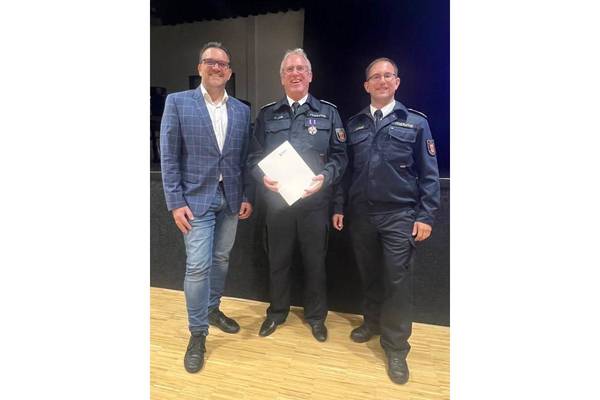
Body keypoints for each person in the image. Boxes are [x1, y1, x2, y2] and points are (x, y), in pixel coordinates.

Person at [331, 57, 440, 384]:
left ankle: (396, 348)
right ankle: (373, 322)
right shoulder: (354, 125)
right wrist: (339, 206)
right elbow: (346, 172)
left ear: (397, 82)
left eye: (387, 75)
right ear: (366, 85)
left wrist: (426, 215)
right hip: (362, 213)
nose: (381, 81)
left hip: (399, 215)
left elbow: (429, 175)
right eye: (375, 77)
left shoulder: (415, 123)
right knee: (369, 274)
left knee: (396, 280)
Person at [160, 42, 253, 373]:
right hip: (195, 201)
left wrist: (245, 195)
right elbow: (168, 155)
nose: (216, 67)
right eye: (210, 61)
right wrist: (175, 202)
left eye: (222, 64)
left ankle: (212, 309)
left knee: (221, 259)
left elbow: (243, 158)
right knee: (198, 267)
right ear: (200, 67)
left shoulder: (241, 110)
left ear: (229, 72)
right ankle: (197, 333)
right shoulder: (178, 103)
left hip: (230, 199)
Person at [247, 48, 347, 342]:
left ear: (310, 75)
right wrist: (262, 176)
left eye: (300, 68)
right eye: (289, 69)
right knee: (278, 262)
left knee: (315, 264)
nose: (295, 73)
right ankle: (277, 312)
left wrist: (325, 177)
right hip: (278, 204)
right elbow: (253, 156)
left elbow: (341, 157)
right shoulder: (267, 114)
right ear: (281, 78)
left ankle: (316, 317)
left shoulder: (328, 112)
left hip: (314, 204)